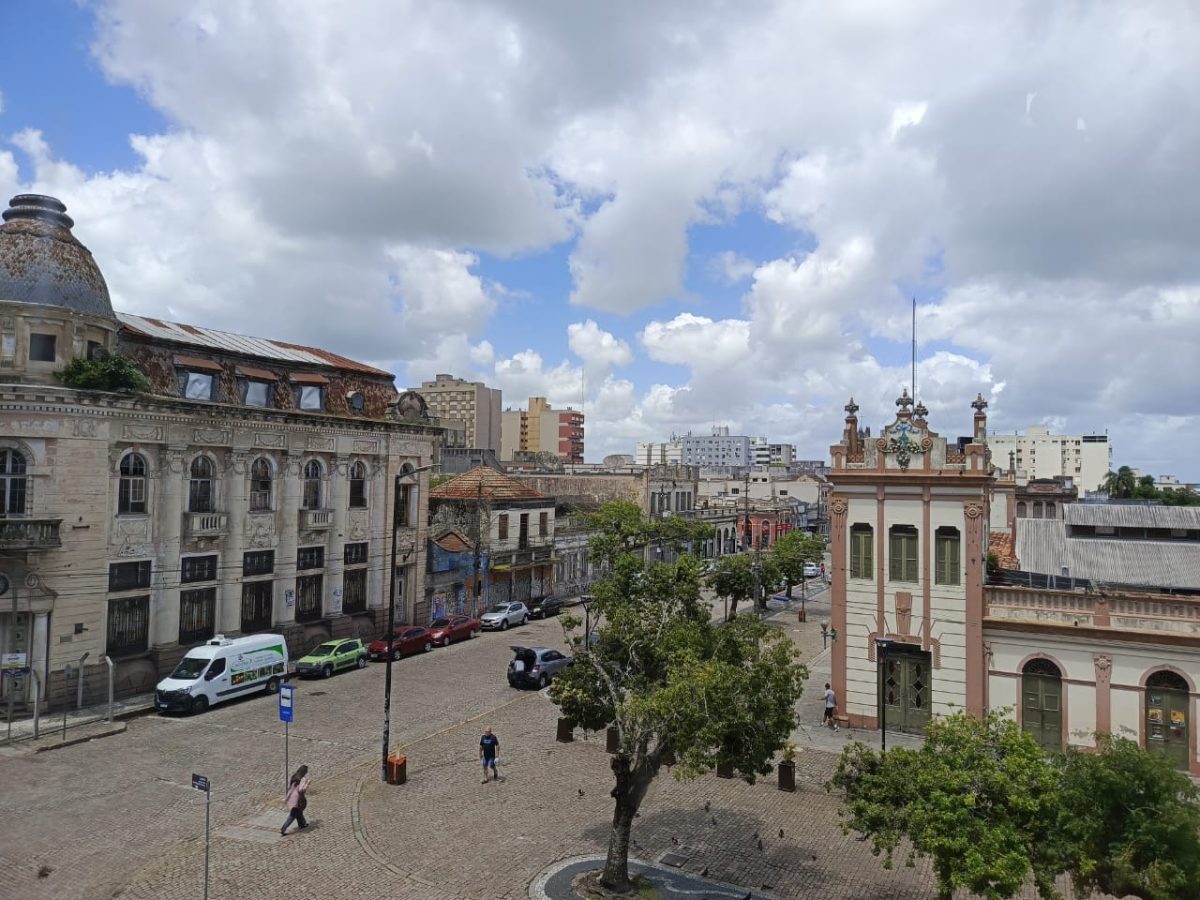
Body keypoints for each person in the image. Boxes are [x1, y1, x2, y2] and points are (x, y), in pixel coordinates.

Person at [280, 765, 311, 835]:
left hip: (291, 797)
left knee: (299, 812)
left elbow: (289, 787)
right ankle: (283, 828)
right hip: (297, 799)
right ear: (304, 772)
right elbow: (301, 790)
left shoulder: (294, 776)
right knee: (293, 815)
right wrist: (307, 784)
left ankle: (302, 824)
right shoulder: (302, 779)